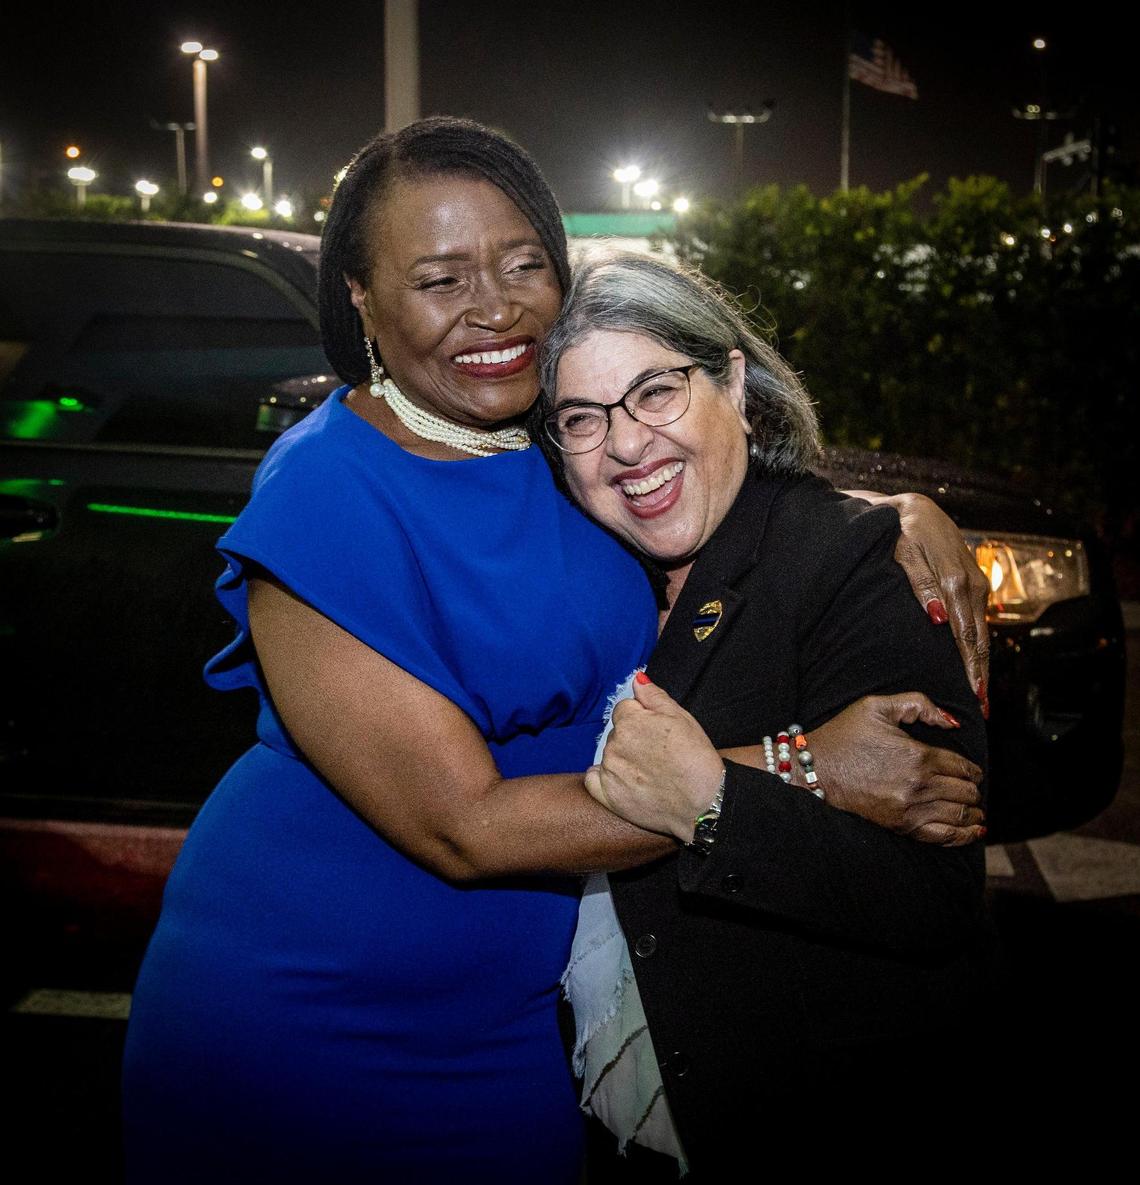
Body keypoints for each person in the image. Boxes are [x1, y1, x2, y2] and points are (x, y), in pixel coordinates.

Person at [121, 117, 986, 1184]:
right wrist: (802, 766)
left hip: (527, 1022)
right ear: (359, 295)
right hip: (310, 1016)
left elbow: (679, 459)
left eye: (525, 263)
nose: (494, 306)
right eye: (440, 278)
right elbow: (466, 828)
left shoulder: (537, 423)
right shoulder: (322, 492)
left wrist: (883, 510)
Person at [538, 250, 997, 1178]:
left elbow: (934, 896)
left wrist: (714, 799)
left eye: (656, 392)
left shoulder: (855, 563)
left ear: (734, 383)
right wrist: (799, 762)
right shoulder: (597, 572)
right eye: (583, 418)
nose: (625, 444)